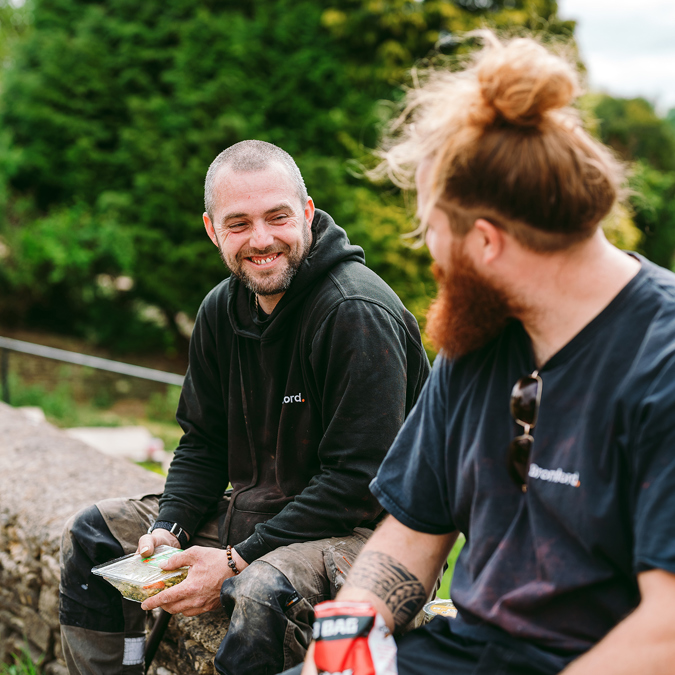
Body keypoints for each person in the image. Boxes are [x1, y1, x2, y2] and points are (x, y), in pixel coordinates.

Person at [300, 32, 675, 675]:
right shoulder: (477, 336)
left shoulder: (659, 362)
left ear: (487, 242)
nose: (429, 255)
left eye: (430, 232)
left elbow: (665, 633)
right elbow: (415, 527)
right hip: (466, 654)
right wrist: (349, 626)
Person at [59, 140, 430, 675]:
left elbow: (358, 482)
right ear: (212, 230)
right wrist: (171, 528)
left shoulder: (355, 312)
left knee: (260, 592)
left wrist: (236, 560)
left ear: (306, 214)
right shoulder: (220, 309)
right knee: (96, 533)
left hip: (362, 534)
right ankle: (120, 670)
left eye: (278, 217)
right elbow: (204, 443)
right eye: (239, 224)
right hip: (256, 515)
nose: (262, 240)